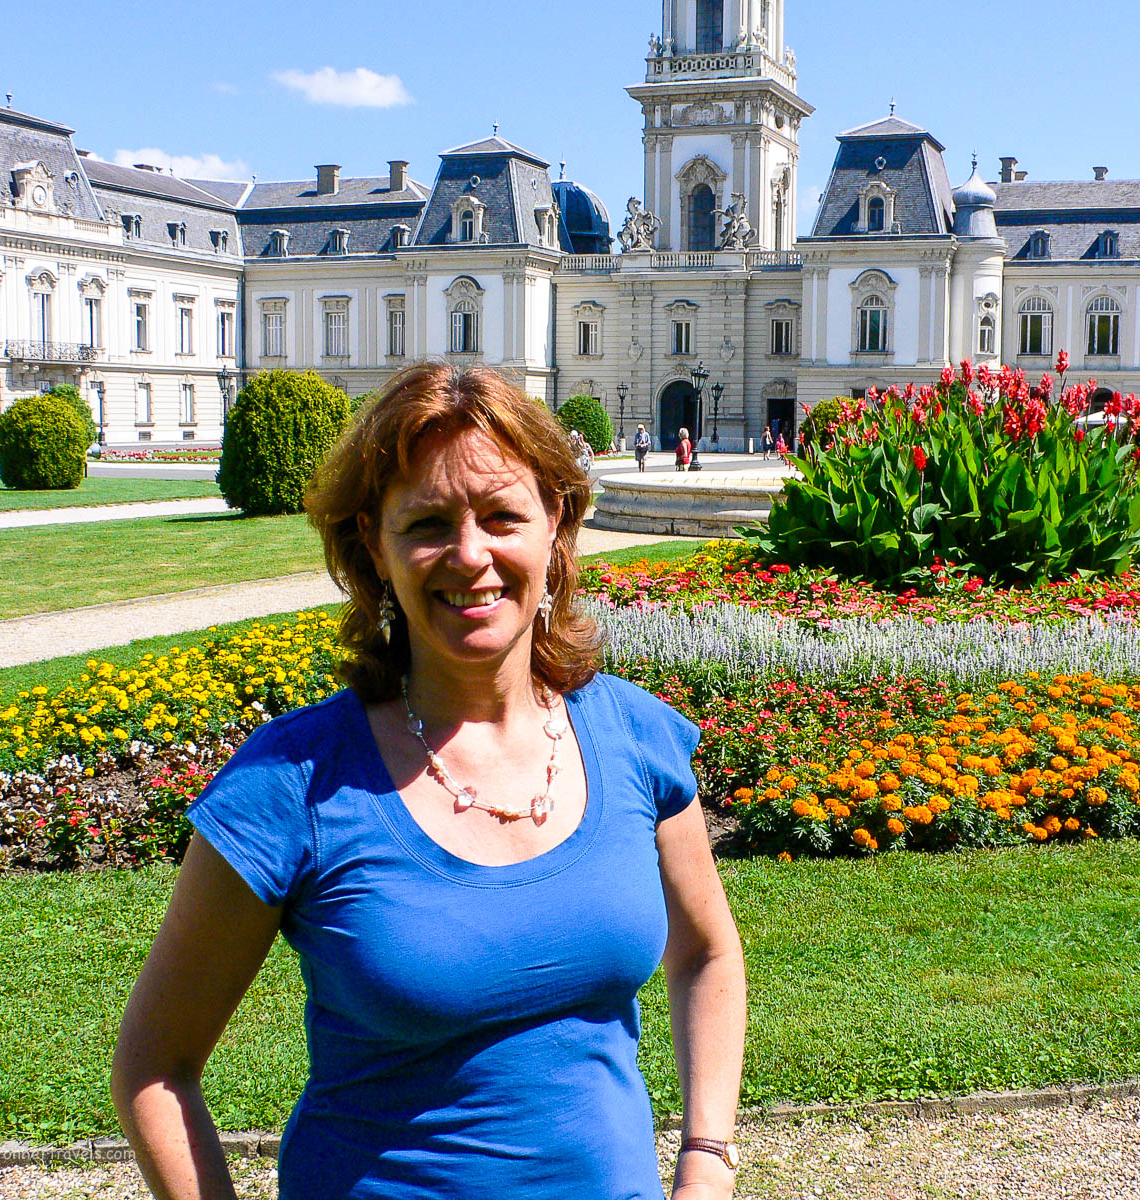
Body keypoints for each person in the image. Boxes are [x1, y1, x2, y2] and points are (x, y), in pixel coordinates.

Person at [111, 362, 746, 1200]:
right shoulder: (295, 784)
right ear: (373, 542)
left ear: (557, 524)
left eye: (501, 515)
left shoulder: (633, 735)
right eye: (428, 523)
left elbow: (705, 953)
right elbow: (156, 1068)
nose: (470, 555)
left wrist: (707, 1156)